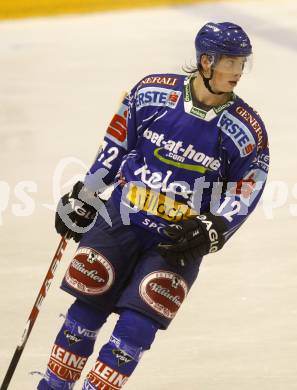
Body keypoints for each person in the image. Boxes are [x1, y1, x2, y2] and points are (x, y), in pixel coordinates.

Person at [38, 22, 269, 390]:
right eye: (229, 62)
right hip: (119, 221)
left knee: (135, 331)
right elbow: (116, 145)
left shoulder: (246, 129)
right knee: (84, 313)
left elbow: (248, 188)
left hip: (177, 242)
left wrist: (215, 228)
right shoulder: (150, 93)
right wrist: (88, 191)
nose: (237, 72)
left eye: (242, 63)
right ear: (205, 62)